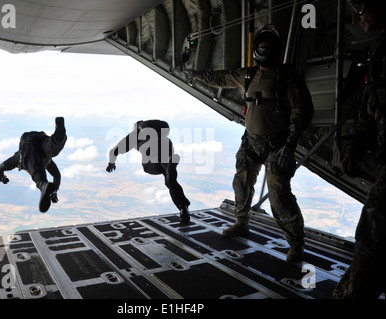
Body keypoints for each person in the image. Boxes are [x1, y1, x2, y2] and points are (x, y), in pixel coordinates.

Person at [190, 25, 314, 262]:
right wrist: (197, 75)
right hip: (251, 142)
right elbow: (221, 78)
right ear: (256, 50)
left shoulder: (287, 77)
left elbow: (303, 111)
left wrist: (290, 146)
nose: (264, 52)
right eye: (261, 48)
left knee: (279, 196)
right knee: (241, 184)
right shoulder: (248, 75)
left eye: (268, 48)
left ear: (275, 51)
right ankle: (241, 223)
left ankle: (296, 243)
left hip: (277, 146)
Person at [333, 0, 385, 299]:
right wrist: (354, 148)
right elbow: (370, 109)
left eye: (361, 4)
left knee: (372, 241)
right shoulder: (379, 50)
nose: (355, 15)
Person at [106, 120, 191, 223]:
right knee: (170, 181)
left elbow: (114, 151)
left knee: (155, 164)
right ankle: (183, 208)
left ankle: (167, 165)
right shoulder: (163, 137)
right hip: (166, 151)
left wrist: (111, 163)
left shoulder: (134, 136)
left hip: (151, 161)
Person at [0, 117, 67, 213]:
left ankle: (43, 185)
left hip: (28, 144)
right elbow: (56, 175)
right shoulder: (47, 163)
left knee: (36, 168)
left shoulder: (18, 159)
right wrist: (54, 191)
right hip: (42, 137)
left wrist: (2, 178)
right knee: (51, 148)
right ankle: (58, 139)